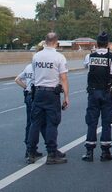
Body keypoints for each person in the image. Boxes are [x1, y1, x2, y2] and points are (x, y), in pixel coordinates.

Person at [82, 31, 112, 162]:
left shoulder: (89, 57)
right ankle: (105, 152)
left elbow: (87, 68)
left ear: (97, 43)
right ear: (108, 43)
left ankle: (89, 152)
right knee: (106, 122)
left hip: (93, 93)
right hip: (107, 93)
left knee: (92, 122)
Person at [26, 32, 70, 165]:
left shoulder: (36, 56)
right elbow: (63, 78)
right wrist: (66, 97)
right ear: (56, 42)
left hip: (38, 92)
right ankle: (52, 153)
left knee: (35, 123)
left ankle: (31, 152)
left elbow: (34, 74)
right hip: (52, 94)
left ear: (45, 41)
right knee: (52, 123)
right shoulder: (59, 57)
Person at [14, 55, 45, 161]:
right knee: (39, 123)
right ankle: (34, 149)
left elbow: (17, 79)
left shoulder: (27, 67)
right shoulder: (40, 68)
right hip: (37, 95)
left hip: (28, 95)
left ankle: (29, 148)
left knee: (30, 122)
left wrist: (26, 87)